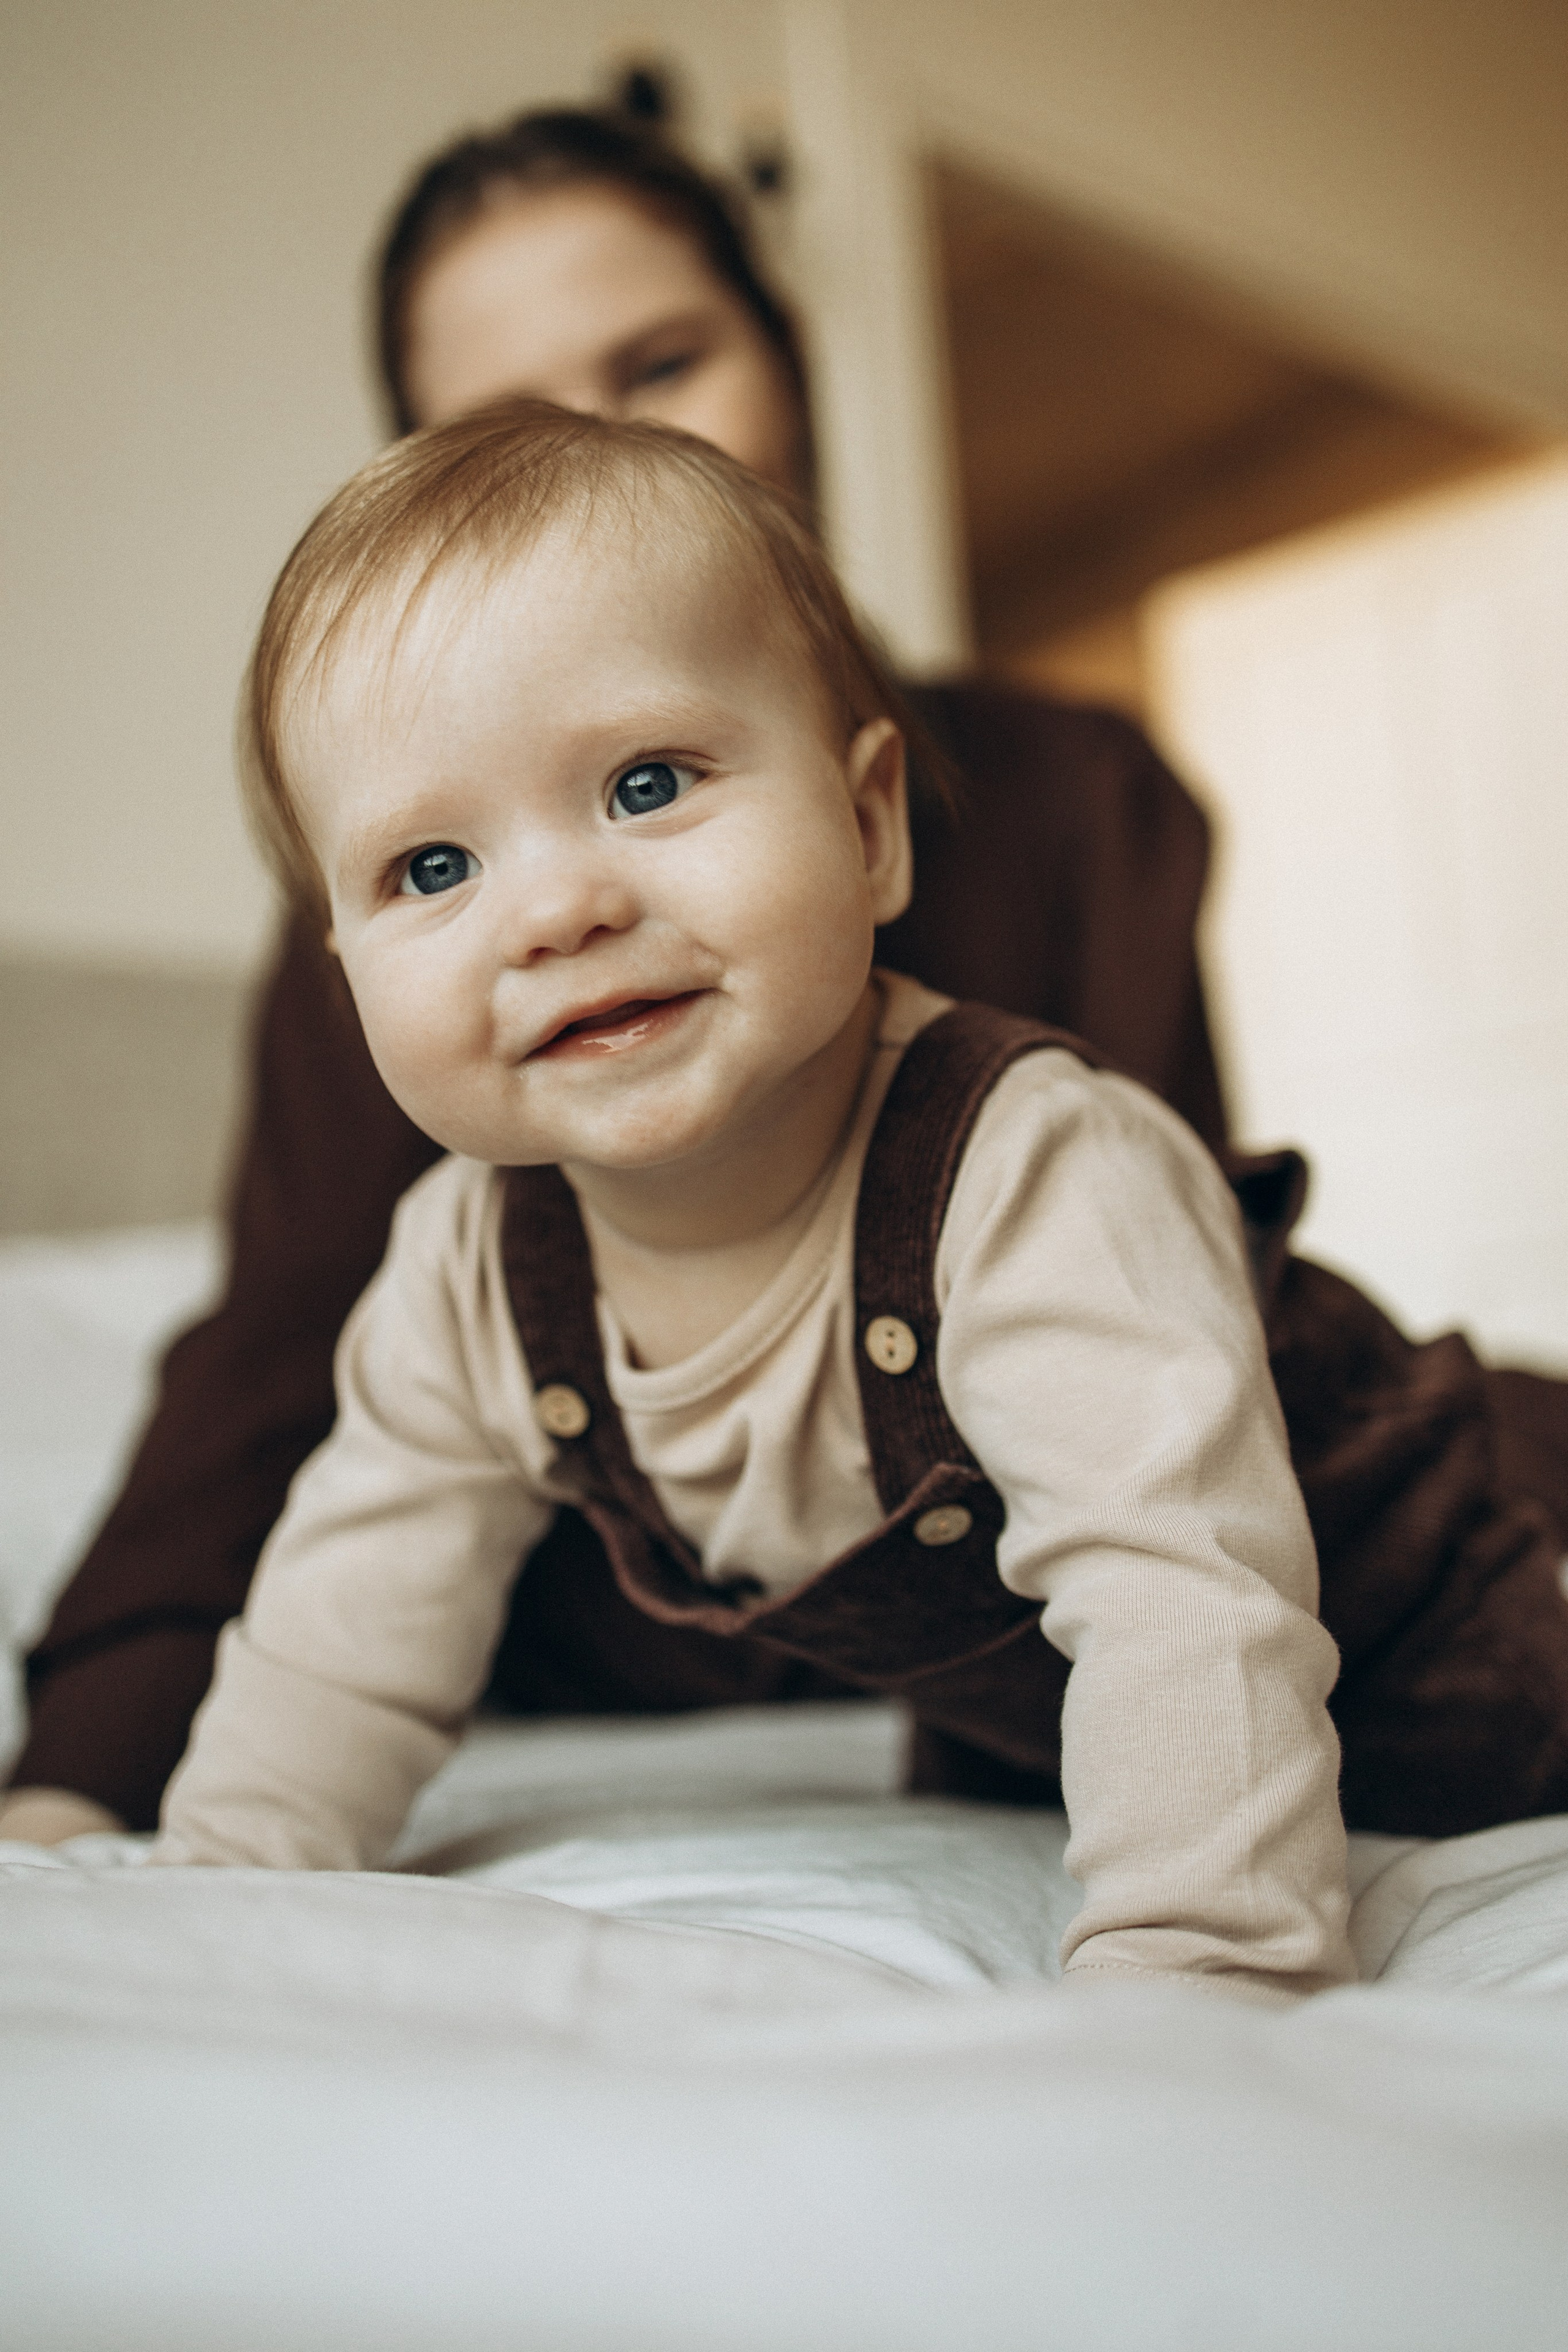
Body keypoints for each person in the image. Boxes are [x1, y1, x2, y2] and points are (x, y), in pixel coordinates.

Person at [2, 110, 1229, 1845]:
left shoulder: (1080, 805)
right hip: (643, 1615)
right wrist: (85, 1784)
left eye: (661, 362)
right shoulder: (425, 1003)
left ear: (791, 372)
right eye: (511, 432)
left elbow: (1187, 1352)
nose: (561, 910)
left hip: (1069, 1559)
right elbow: (296, 1370)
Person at [151, 399, 1358, 2007]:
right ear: (342, 969)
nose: (563, 909)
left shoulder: (1026, 1163)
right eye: (432, 870)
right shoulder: (468, 1275)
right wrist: (209, 1899)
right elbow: (338, 1640)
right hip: (1048, 1739)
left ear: (868, 827)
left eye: (648, 782)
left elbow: (1183, 1593)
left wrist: (1203, 1964)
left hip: (1462, 1607)